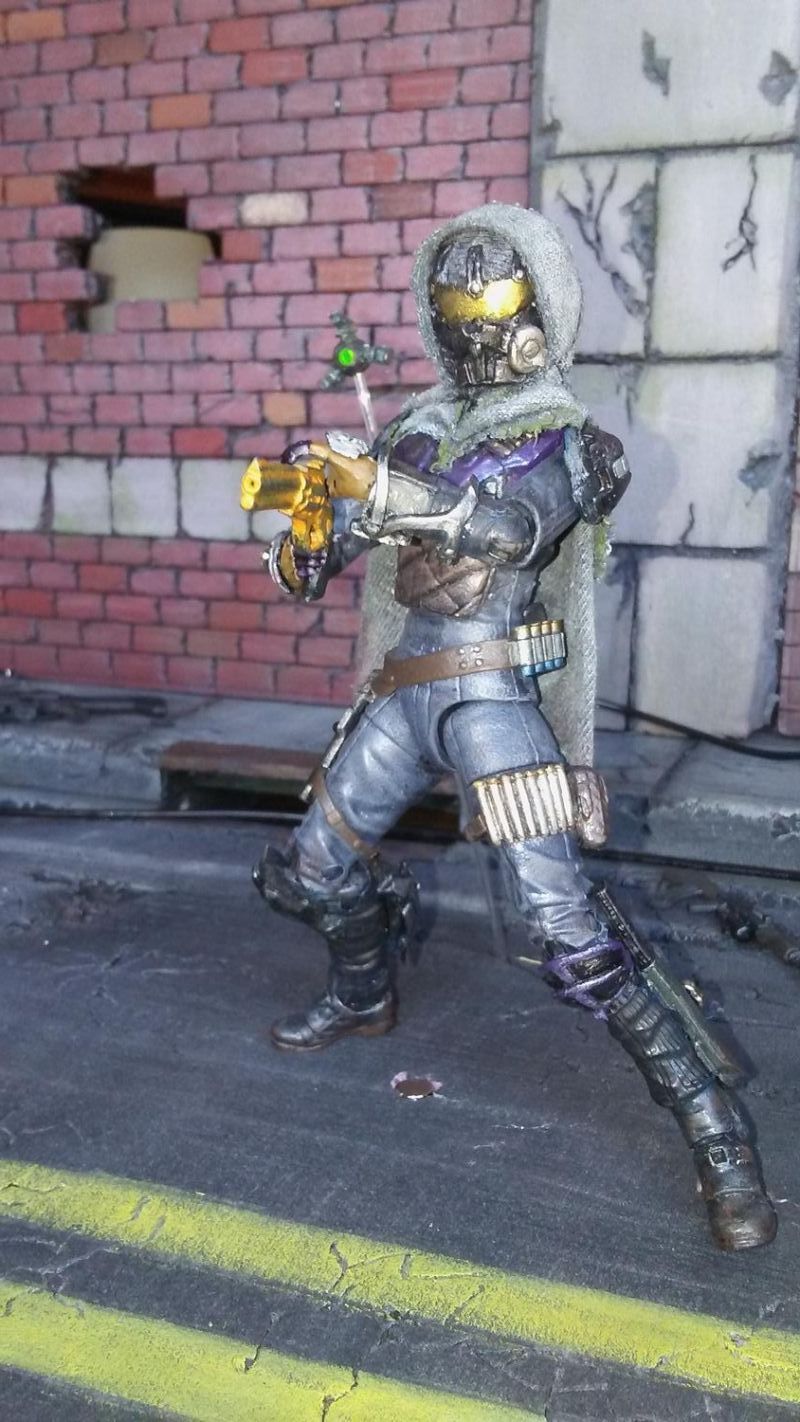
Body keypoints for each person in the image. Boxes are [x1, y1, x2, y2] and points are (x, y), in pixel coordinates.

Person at [251, 204, 777, 1252]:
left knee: (565, 928)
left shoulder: (572, 441)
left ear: (539, 313)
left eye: (495, 320)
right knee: (309, 868)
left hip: (492, 697)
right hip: (404, 689)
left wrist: (385, 489)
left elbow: (511, 529)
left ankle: (713, 1127)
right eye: (460, 323)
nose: (479, 345)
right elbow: (325, 558)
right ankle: (363, 991)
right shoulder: (414, 428)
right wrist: (305, 529)